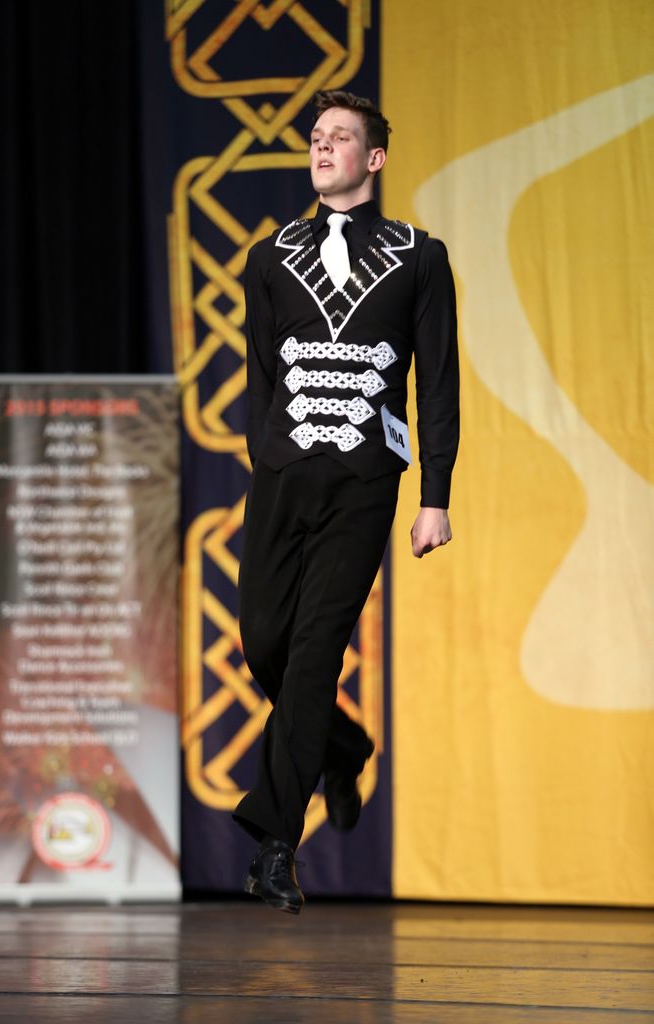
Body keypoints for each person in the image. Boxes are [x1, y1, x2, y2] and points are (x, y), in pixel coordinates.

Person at [233, 90, 459, 914]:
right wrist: (265, 455)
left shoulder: (417, 256)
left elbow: (436, 382)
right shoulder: (269, 256)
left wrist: (433, 495)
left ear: (374, 158)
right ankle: (343, 744)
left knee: (314, 652)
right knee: (265, 645)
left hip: (364, 482)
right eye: (315, 137)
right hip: (283, 475)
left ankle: (275, 846)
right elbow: (261, 373)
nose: (321, 147)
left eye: (339, 137)